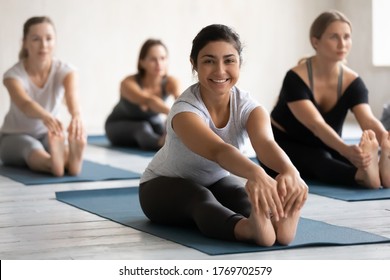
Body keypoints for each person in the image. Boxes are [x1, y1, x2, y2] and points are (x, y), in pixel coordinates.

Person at [139, 24, 308, 247]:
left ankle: (277, 222)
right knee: (199, 198)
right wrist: (257, 173)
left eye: (229, 60)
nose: (220, 70)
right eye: (209, 61)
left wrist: (290, 171)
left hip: (215, 180)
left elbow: (265, 143)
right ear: (194, 64)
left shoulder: (250, 107)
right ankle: (247, 230)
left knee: (243, 196)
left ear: (239, 63)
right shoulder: (184, 111)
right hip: (162, 186)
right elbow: (219, 151)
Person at [268, 10, 390, 189]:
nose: (342, 44)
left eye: (347, 37)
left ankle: (381, 166)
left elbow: (368, 120)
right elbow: (316, 125)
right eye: (334, 37)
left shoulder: (353, 82)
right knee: (321, 160)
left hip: (326, 142)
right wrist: (347, 150)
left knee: (351, 156)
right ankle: (362, 176)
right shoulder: (295, 78)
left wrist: (385, 139)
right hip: (284, 143)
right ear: (315, 41)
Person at [0, 16, 86, 177]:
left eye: (49, 39)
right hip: (14, 136)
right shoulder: (12, 75)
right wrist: (45, 115)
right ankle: (54, 163)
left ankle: (69, 161)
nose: (44, 45)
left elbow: (71, 95)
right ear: (24, 43)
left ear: (55, 41)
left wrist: (76, 116)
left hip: (50, 134)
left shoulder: (66, 70)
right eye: (36, 39)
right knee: (31, 147)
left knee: (60, 147)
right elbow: (25, 103)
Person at [105, 39, 181, 150]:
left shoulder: (171, 82)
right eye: (153, 59)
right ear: (142, 62)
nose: (159, 64)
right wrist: (172, 114)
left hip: (151, 123)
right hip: (117, 125)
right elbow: (149, 101)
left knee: (163, 126)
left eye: (162, 58)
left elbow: (181, 100)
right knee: (142, 128)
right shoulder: (128, 83)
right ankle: (161, 145)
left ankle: (169, 143)